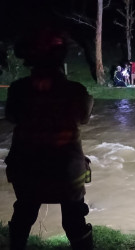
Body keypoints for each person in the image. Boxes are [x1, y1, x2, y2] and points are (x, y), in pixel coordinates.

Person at [5, 26, 94, 250]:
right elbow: (83, 117)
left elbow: (12, 117)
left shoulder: (17, 90)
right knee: (74, 220)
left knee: (24, 214)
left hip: (27, 169)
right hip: (66, 172)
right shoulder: (75, 91)